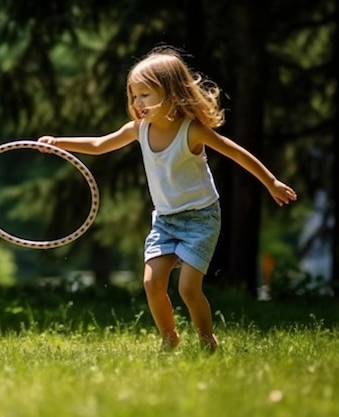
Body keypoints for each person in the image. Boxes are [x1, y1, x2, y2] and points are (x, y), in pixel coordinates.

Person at [37, 46, 297, 352]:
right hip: (164, 220)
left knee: (188, 288)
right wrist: (58, 144)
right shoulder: (138, 129)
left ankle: (206, 339)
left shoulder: (193, 132)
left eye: (145, 94)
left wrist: (271, 182)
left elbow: (236, 152)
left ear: (171, 92)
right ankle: (169, 338)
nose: (137, 102)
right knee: (152, 284)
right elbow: (98, 144)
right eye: (133, 96)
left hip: (201, 218)